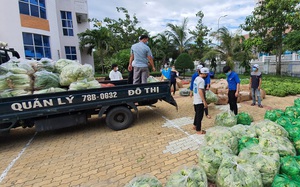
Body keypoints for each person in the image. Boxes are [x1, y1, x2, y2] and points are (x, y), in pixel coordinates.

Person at [192, 67, 209, 135]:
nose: (207, 75)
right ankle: (198, 130)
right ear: (204, 74)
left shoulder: (196, 78)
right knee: (200, 116)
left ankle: (194, 125)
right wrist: (204, 101)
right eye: (206, 74)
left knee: (197, 114)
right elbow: (200, 91)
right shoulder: (202, 80)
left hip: (195, 99)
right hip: (199, 101)